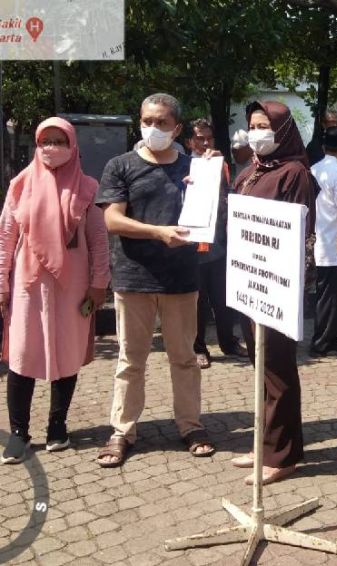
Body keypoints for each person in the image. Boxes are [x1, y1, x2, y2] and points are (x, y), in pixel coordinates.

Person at [95, 93, 216, 468]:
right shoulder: (120, 166)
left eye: (163, 122)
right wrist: (156, 232)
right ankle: (122, 431)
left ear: (177, 128)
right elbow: (112, 220)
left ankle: (191, 427)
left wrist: (211, 177)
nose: (154, 128)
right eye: (148, 120)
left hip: (181, 279)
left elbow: (209, 214)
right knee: (131, 360)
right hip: (133, 279)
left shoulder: (195, 168)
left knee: (184, 359)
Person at [0, 117, 111, 464]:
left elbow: (98, 241)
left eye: (59, 141)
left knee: (67, 353)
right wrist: (1, 282)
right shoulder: (20, 185)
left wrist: (98, 285)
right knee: (21, 356)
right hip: (28, 286)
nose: (51, 148)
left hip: (73, 287)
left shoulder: (88, 188)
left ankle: (58, 426)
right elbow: (6, 239)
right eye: (45, 140)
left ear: (72, 145)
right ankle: (19, 433)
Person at [229, 100, 318, 485]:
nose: (257, 132)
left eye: (264, 125)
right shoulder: (250, 171)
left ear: (281, 130)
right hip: (248, 281)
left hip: (277, 286)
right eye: (252, 125)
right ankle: (265, 443)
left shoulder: (294, 172)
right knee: (261, 369)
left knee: (278, 370)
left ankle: (283, 456)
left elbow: (298, 231)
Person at [186, 118, 248, 369]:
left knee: (223, 299)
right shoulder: (182, 166)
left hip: (220, 243)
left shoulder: (221, 165)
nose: (205, 142)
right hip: (193, 247)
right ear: (189, 141)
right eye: (199, 138)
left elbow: (226, 195)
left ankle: (229, 342)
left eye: (208, 138)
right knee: (198, 303)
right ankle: (198, 348)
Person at [309, 125, 337, 358]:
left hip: (319, 239)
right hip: (333, 242)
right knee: (330, 295)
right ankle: (322, 341)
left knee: (327, 292)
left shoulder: (313, 169)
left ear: (324, 147)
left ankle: (331, 337)